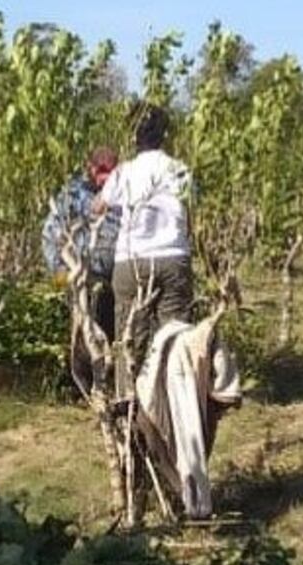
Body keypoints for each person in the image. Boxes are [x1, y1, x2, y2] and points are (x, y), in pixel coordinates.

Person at [92, 103, 194, 400]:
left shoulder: (124, 173)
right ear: (165, 135)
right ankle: (176, 401)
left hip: (131, 261)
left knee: (129, 340)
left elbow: (99, 205)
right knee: (175, 337)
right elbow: (192, 213)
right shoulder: (179, 170)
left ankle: (129, 404)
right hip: (173, 257)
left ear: (134, 136)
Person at [41, 147, 120, 386]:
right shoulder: (73, 195)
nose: (104, 174)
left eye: (110, 168)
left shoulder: (124, 192)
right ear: (90, 167)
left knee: (114, 334)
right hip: (83, 277)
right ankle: (84, 387)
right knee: (84, 333)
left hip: (117, 278)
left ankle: (113, 385)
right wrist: (59, 271)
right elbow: (51, 233)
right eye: (100, 167)